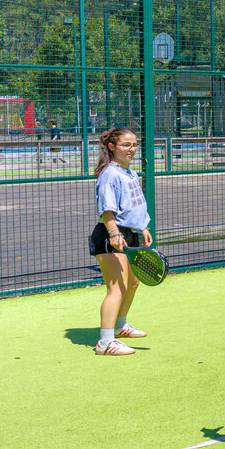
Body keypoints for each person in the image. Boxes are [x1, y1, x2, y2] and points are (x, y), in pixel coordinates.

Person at [91, 127, 152, 356]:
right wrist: (115, 233)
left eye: (134, 144)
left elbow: (133, 206)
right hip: (111, 235)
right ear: (112, 147)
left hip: (130, 234)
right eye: (126, 145)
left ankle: (120, 326)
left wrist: (143, 227)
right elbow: (107, 210)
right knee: (116, 288)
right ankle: (105, 342)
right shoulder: (110, 174)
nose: (132, 149)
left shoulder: (130, 173)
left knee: (133, 283)